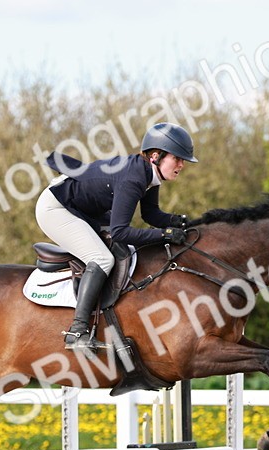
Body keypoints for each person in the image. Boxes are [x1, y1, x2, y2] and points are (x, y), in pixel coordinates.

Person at [36, 122, 198, 350]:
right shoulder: (134, 178)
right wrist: (165, 235)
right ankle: (77, 331)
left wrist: (181, 223)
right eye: (177, 158)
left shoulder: (149, 174)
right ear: (155, 155)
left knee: (120, 251)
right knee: (103, 258)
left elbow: (150, 214)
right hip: (55, 208)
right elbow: (121, 232)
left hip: (83, 208)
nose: (182, 164)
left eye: (183, 160)